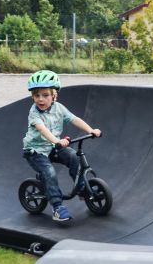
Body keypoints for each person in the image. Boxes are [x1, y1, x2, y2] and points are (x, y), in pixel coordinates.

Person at [22, 70, 101, 222]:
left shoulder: (59, 108)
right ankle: (57, 207)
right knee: (50, 172)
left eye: (45, 95)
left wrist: (91, 130)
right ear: (32, 96)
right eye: (36, 95)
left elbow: (74, 119)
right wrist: (56, 141)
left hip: (53, 147)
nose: (40, 99)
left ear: (54, 95)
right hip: (35, 151)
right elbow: (42, 130)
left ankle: (82, 189)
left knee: (73, 156)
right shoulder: (34, 113)